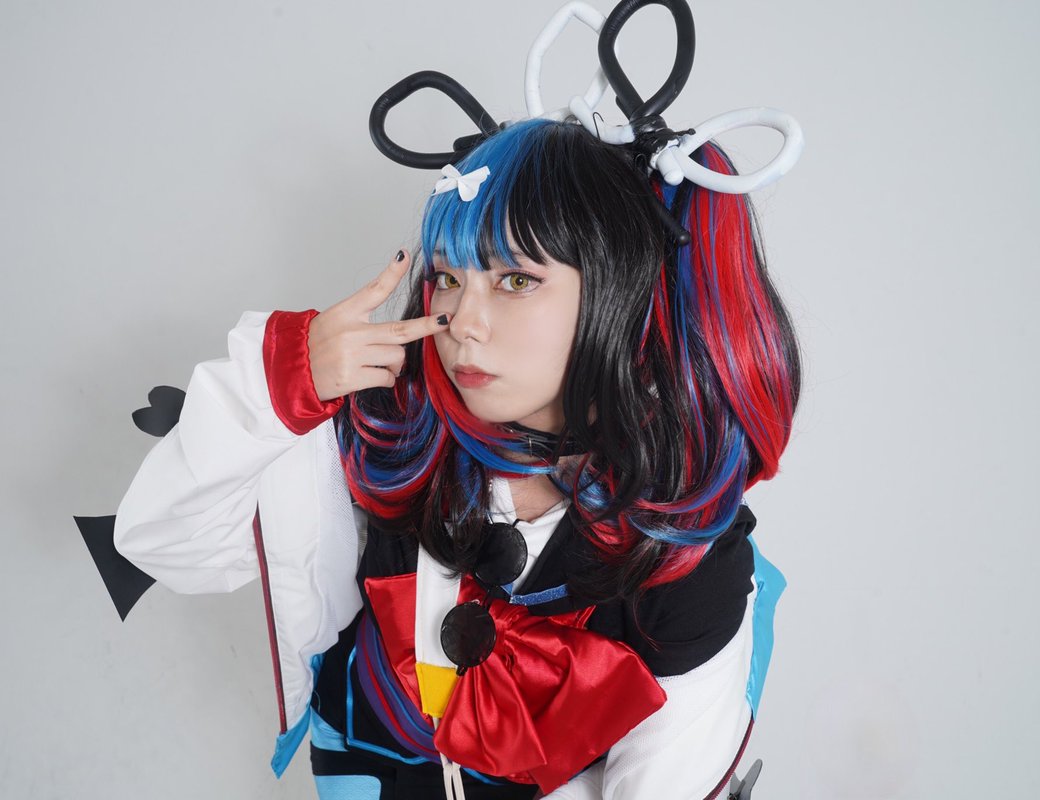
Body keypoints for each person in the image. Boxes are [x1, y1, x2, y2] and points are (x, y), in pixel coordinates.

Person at [108, 3, 804, 798]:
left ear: (623, 300)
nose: (462, 322)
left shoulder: (684, 556)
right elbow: (167, 542)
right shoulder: (386, 441)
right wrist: (283, 383)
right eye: (446, 277)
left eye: (515, 280)